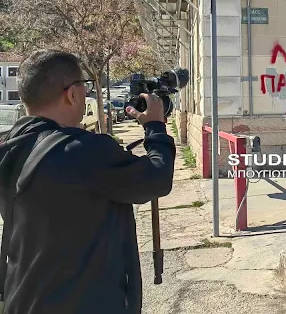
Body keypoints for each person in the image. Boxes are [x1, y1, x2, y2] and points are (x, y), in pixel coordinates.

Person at [0, 50, 176, 313]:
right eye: (85, 85)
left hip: (23, 299)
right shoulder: (83, 151)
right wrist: (155, 127)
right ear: (72, 94)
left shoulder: (10, 149)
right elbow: (157, 178)